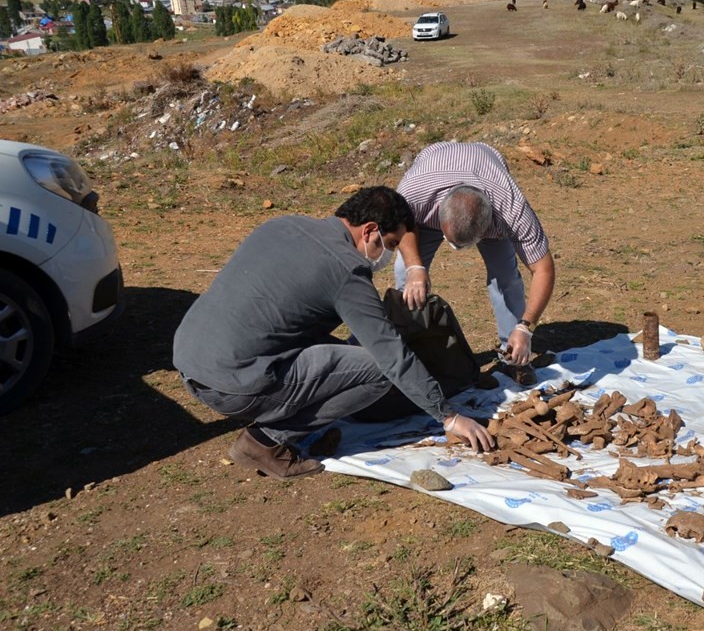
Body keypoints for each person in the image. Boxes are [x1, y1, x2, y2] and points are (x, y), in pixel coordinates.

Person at [173, 186, 495, 481]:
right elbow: (391, 356)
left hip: (189, 359)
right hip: (232, 384)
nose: (390, 254)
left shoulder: (284, 224)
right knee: (378, 372)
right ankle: (265, 441)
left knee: (340, 356)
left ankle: (273, 422)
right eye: (392, 244)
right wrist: (448, 416)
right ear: (369, 230)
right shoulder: (346, 270)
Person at [394, 142, 555, 377]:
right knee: (404, 273)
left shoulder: (510, 210)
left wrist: (526, 327)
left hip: (487, 167)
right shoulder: (414, 194)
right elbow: (398, 227)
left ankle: (513, 354)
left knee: (506, 277)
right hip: (432, 174)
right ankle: (410, 354)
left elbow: (543, 269)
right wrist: (415, 267)